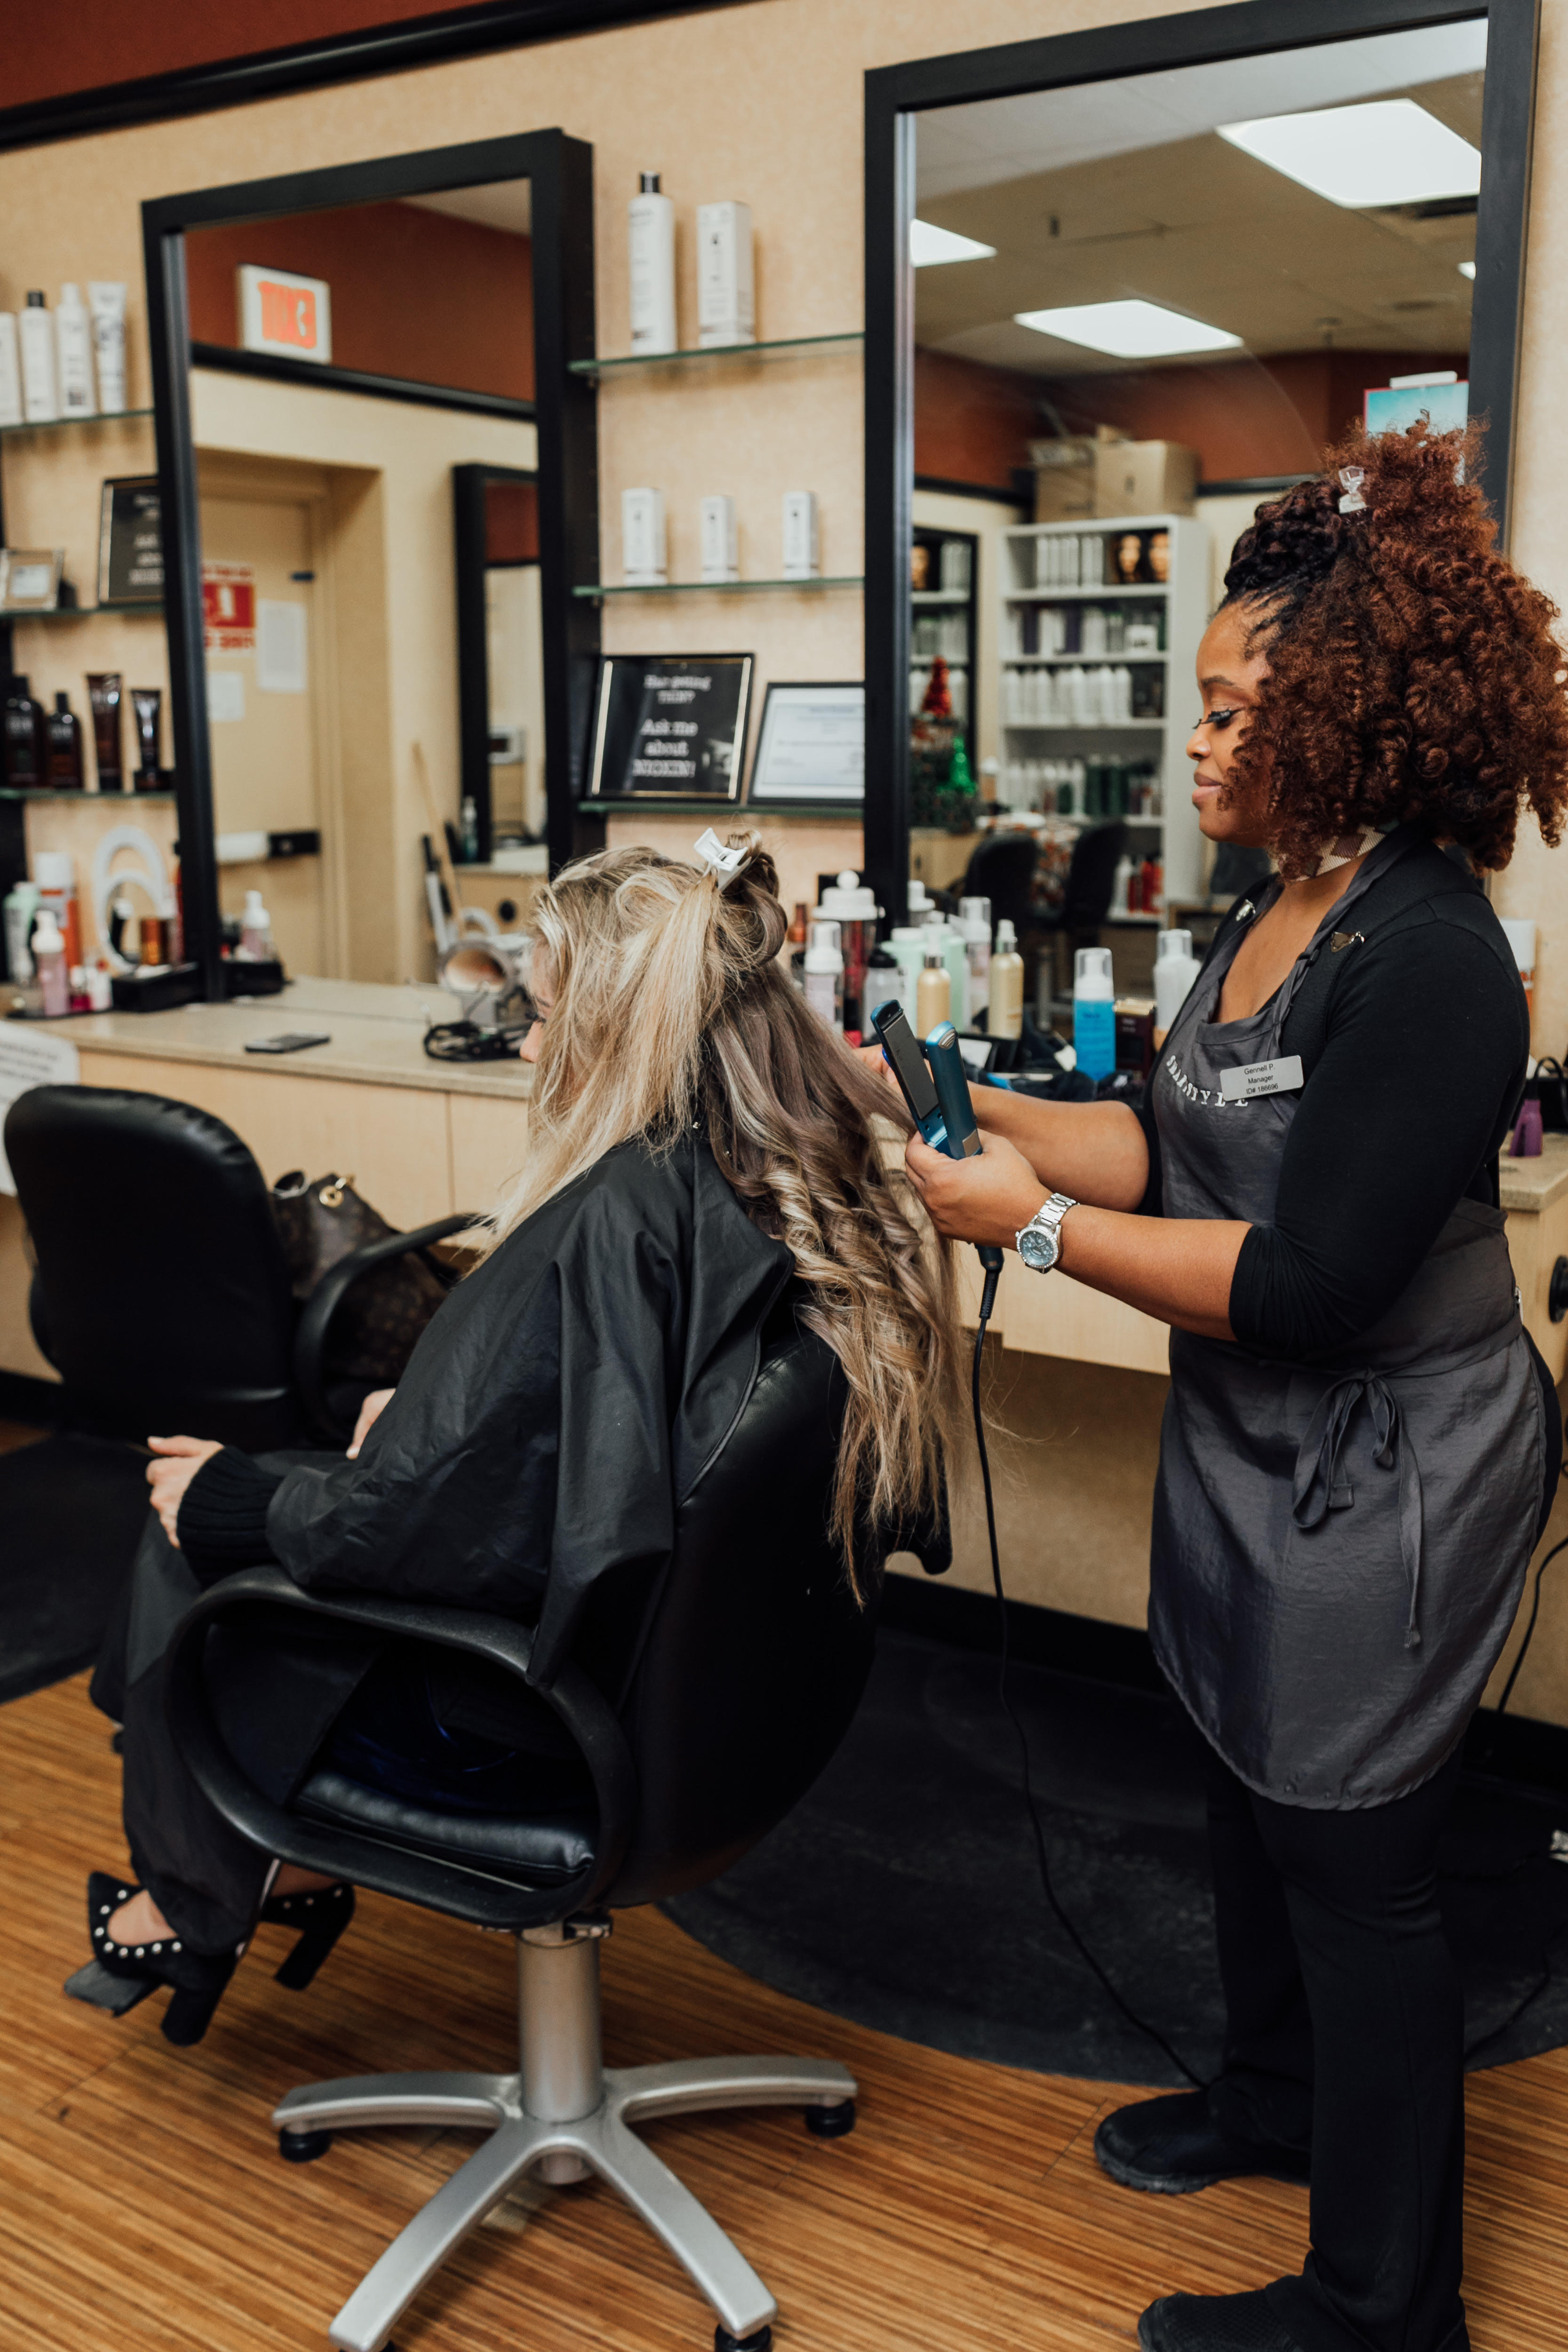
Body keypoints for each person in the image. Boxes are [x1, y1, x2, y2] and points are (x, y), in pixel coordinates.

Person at [881, 424, 1568, 2352]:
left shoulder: (1428, 953)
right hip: (1250, 1447)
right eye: (1191, 704)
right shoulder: (1266, 908)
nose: (1192, 745)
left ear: (1342, 720)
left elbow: (1306, 1278)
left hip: (1388, 1461)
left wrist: (1017, 1233)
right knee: (1242, 1788)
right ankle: (1270, 2102)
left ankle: (1381, 2304)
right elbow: (1159, 1144)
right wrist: (947, 1109)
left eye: (1229, 709)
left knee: (1351, 1852)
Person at [85, 834, 963, 2044]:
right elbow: (637, 1430)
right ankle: (228, 1876)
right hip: (718, 1693)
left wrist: (249, 1503)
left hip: (530, 1711)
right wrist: (444, 1440)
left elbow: (406, 1529)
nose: (530, 1046)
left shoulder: (616, 1214)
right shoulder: (789, 1187)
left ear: (618, 1032)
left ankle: (202, 1897)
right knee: (292, 1477)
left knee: (186, 1515)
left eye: (549, 1017)